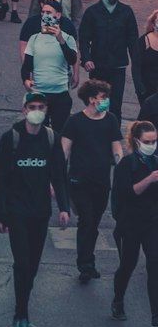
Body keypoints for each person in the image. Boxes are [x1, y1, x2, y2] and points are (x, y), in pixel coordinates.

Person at [0, 90, 71, 327]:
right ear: (24, 110)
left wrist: (65, 208)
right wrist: (0, 213)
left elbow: (58, 174)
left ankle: (24, 313)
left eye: (41, 106)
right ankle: (20, 315)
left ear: (46, 110)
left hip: (40, 212)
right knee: (22, 262)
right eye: (32, 106)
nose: (37, 110)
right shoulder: (11, 138)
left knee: (33, 265)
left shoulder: (51, 138)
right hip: (16, 211)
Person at [61, 80, 122, 284]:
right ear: (91, 99)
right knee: (86, 220)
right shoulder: (75, 122)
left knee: (93, 223)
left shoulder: (111, 120)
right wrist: (57, 179)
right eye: (103, 97)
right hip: (79, 180)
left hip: (102, 182)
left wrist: (121, 168)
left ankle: (89, 260)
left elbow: (117, 148)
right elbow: (64, 151)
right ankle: (85, 264)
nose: (106, 101)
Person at [110, 121, 158, 325]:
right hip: (130, 223)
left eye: (155, 140)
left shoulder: (155, 161)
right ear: (137, 141)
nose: (152, 144)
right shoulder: (127, 164)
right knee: (128, 264)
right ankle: (118, 300)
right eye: (148, 141)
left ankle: (156, 314)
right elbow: (127, 193)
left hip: (152, 222)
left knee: (154, 265)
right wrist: (149, 179)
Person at [78, 0, 140, 124]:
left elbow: (133, 40)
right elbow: (84, 38)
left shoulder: (126, 12)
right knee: (96, 104)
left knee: (115, 106)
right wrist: (86, 59)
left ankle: (113, 137)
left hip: (118, 67)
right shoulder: (92, 12)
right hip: (98, 66)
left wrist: (137, 63)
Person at [22, 0, 79, 128]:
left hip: (60, 95)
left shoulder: (68, 38)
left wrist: (60, 40)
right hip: (39, 94)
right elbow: (27, 65)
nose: (45, 15)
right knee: (39, 132)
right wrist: (26, 80)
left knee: (59, 133)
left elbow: (72, 60)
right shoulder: (34, 38)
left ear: (58, 15)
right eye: (43, 12)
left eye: (49, 12)